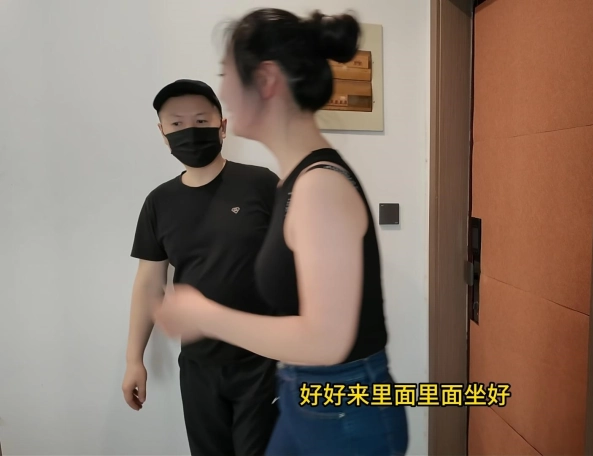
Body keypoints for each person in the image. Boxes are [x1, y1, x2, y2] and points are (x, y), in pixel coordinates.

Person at [152, 9, 409, 456]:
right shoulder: (293, 180)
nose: (224, 92)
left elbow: (325, 341)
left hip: (345, 409)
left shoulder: (318, 186)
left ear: (266, 80)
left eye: (227, 75)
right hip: (306, 395)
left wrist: (203, 315)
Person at [123, 79, 280, 456]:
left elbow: (296, 263)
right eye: (176, 124)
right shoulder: (159, 202)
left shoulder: (261, 184)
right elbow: (149, 284)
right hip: (198, 365)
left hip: (263, 359)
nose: (189, 131)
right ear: (163, 133)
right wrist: (133, 359)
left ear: (222, 126)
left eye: (200, 120)